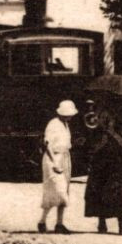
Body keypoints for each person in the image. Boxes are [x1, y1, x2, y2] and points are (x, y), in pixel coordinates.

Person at [85, 109, 122, 235]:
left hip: (119, 163)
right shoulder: (96, 129)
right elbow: (94, 148)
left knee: (121, 193)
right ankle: (102, 224)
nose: (106, 119)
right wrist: (102, 134)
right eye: (103, 117)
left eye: (109, 117)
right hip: (100, 163)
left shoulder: (121, 127)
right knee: (99, 190)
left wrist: (112, 132)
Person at [37, 100, 77, 234]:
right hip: (53, 158)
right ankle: (42, 220)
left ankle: (59, 223)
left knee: (64, 191)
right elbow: (47, 144)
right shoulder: (53, 124)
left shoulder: (65, 124)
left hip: (64, 158)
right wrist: (54, 163)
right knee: (57, 191)